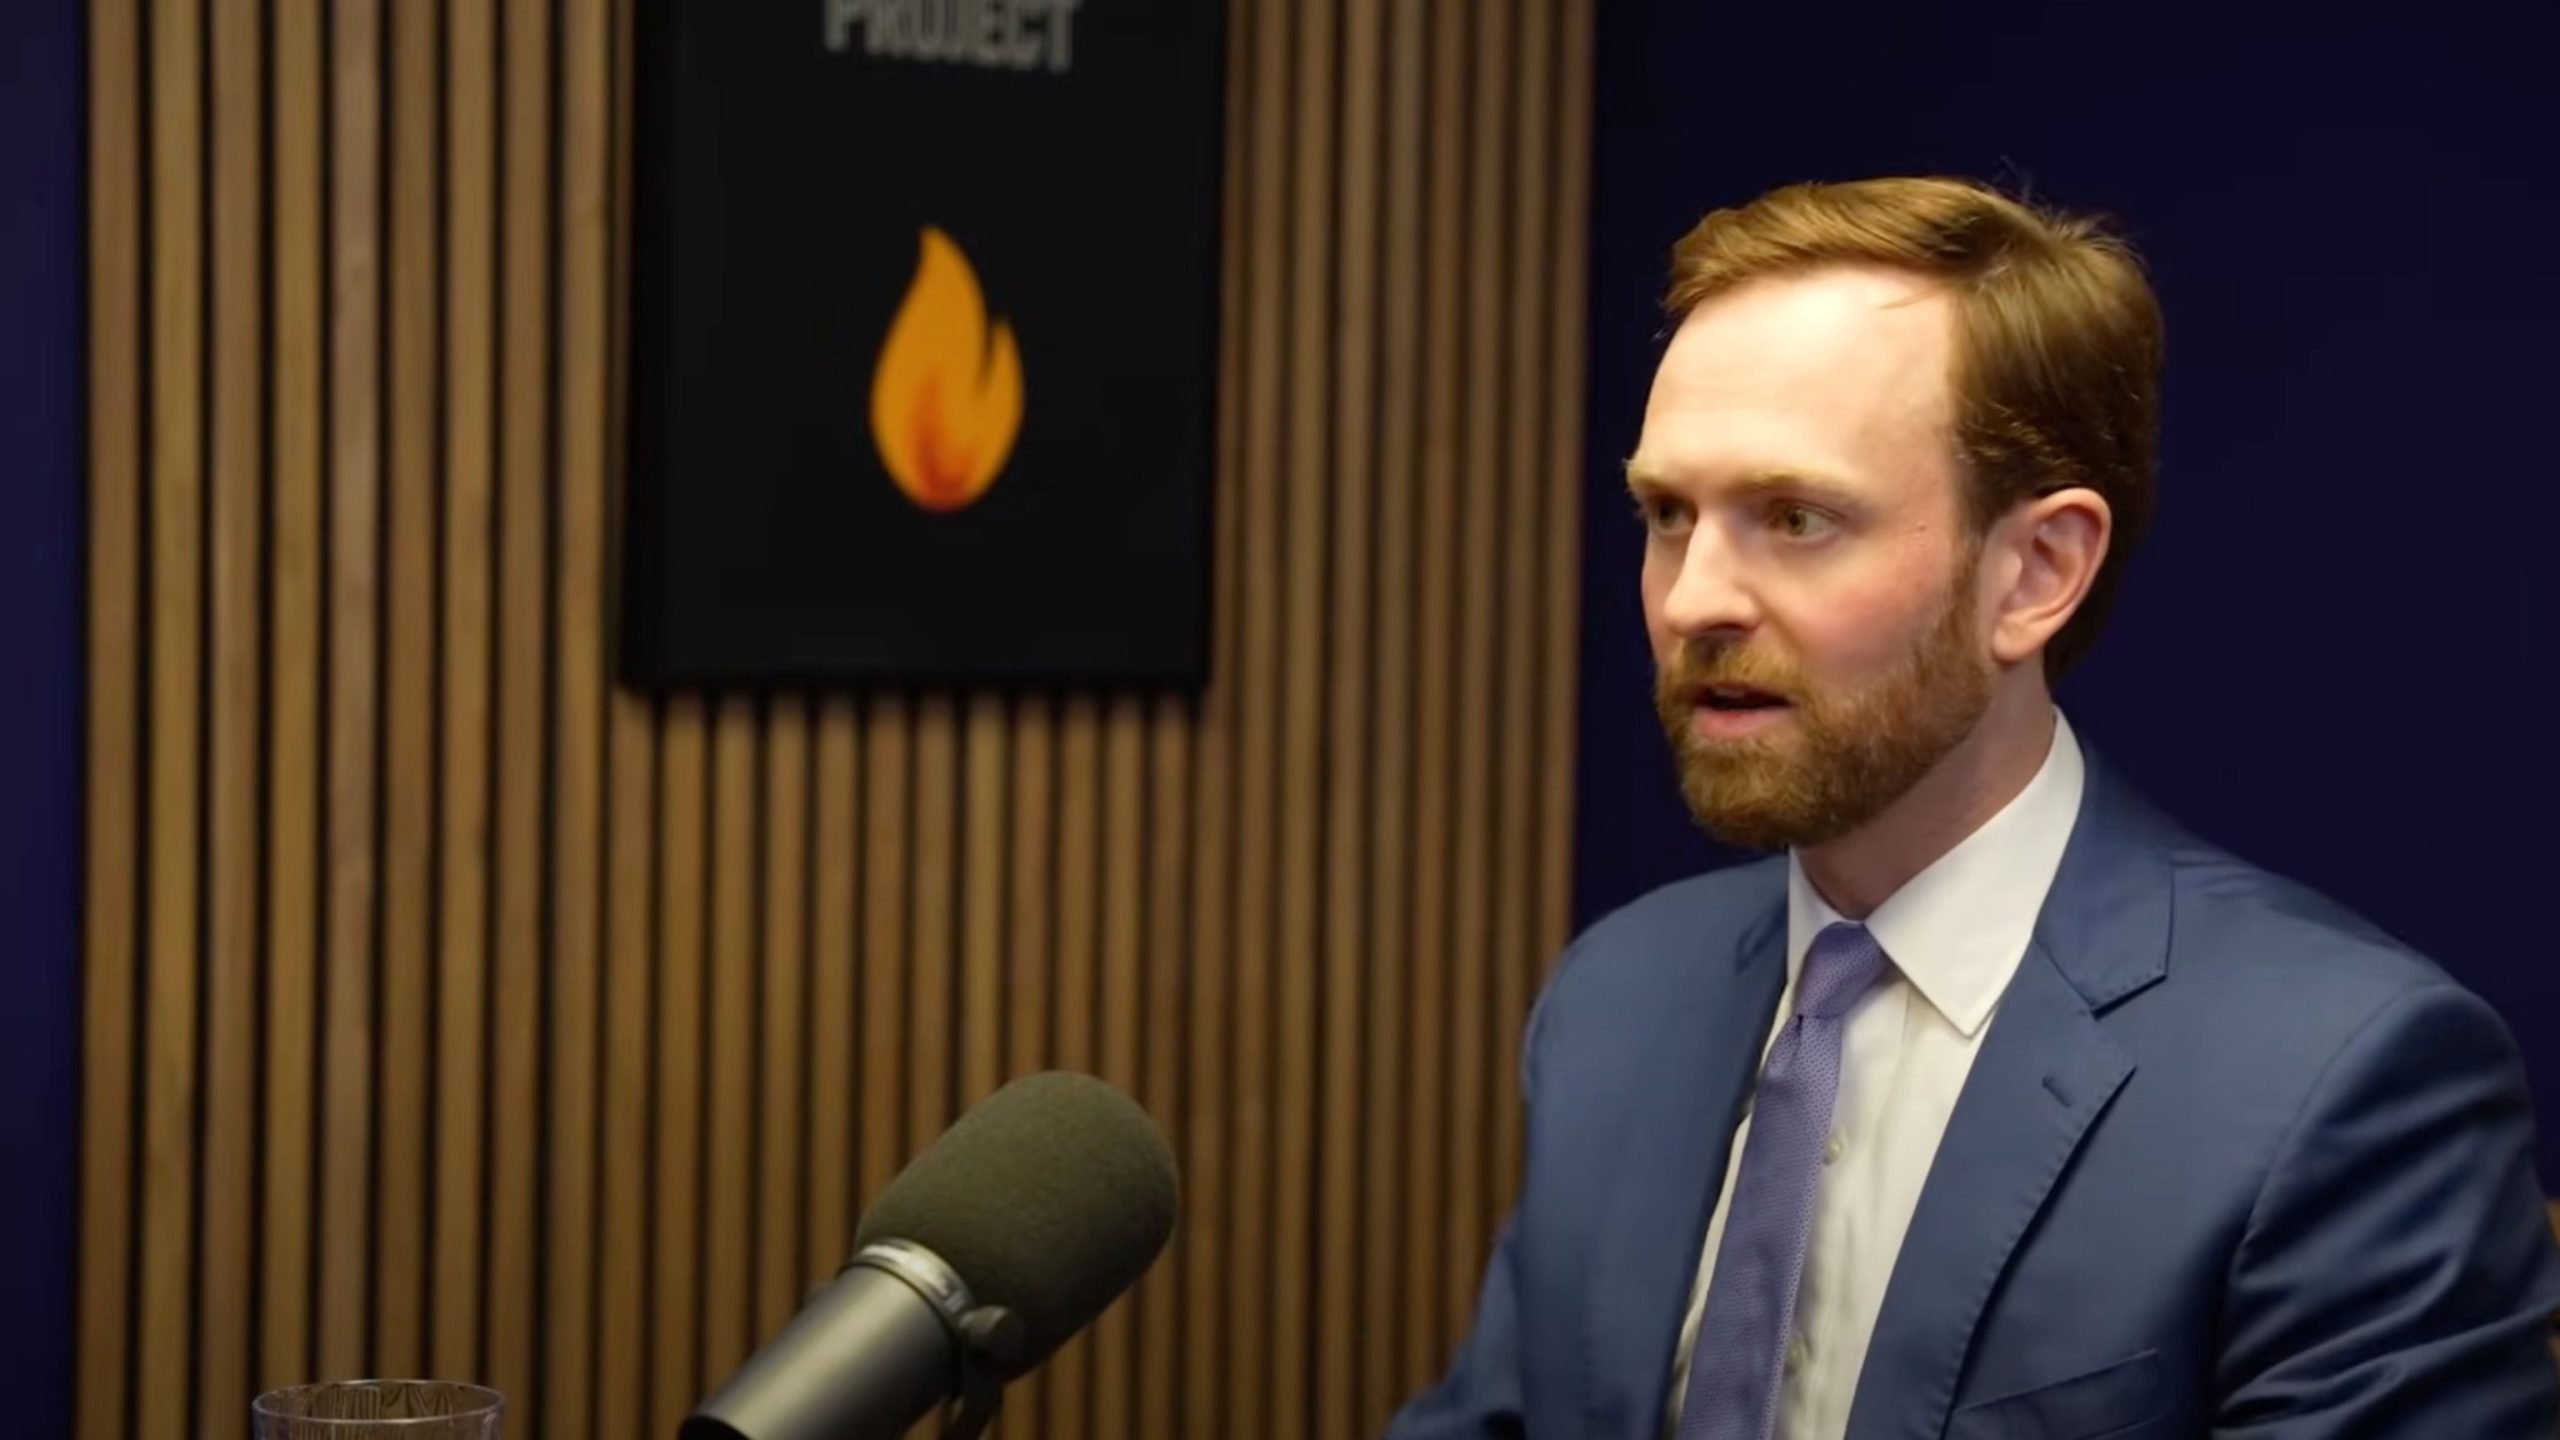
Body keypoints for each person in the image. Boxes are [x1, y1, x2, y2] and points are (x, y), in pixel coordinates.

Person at [1385, 176, 2560, 1440]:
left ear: (2034, 571)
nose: (1690, 602)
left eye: (1794, 518)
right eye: (1668, 515)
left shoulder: (2342, 1081)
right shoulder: (1616, 1000)